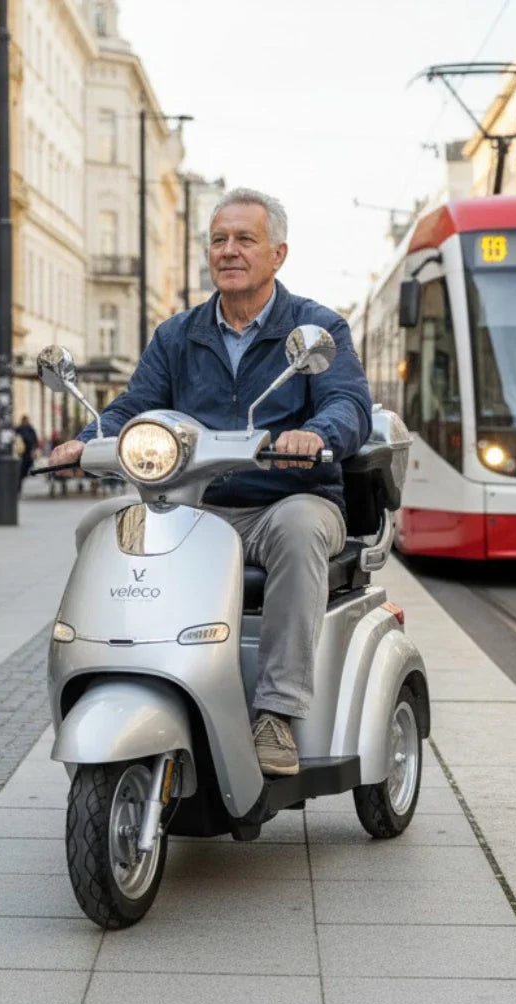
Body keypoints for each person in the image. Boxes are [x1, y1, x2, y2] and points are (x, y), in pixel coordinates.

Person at [47, 187, 372, 776]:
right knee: (100, 524)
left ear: (278, 254)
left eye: (245, 239)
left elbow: (348, 402)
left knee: (300, 532)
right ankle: (129, 669)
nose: (229, 251)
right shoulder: (179, 334)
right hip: (198, 505)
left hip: (288, 499)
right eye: (218, 240)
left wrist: (315, 433)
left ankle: (276, 710)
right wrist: (90, 438)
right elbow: (137, 405)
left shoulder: (317, 329)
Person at [15, 414, 39, 480]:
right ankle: (23, 475)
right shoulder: (21, 428)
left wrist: (35, 448)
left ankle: (24, 474)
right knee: (24, 464)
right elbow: (35, 439)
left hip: (27, 450)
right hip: (23, 450)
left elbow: (34, 439)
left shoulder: (29, 428)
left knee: (28, 462)